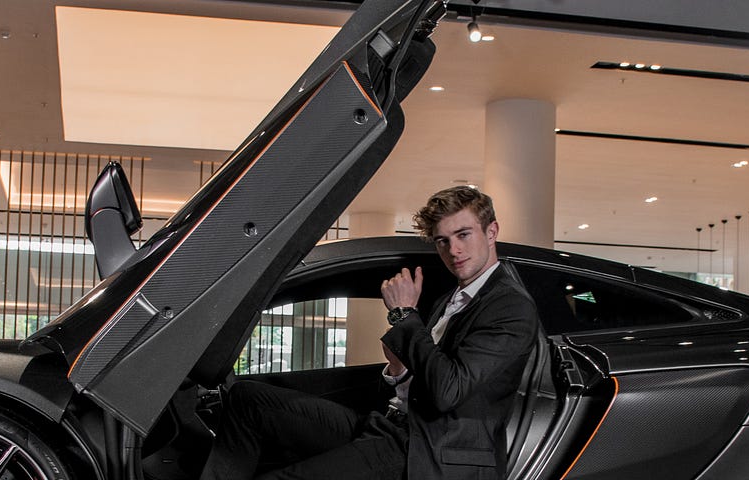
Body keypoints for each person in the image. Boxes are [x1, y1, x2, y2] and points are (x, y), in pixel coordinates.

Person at [200, 186, 541, 480]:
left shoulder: (509, 306)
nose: (453, 250)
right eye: (443, 240)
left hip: (426, 449)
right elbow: (419, 375)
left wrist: (406, 315)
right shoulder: (451, 298)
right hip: (388, 424)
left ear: (492, 231)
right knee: (248, 398)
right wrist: (398, 371)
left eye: (463, 235)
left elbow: (448, 391)